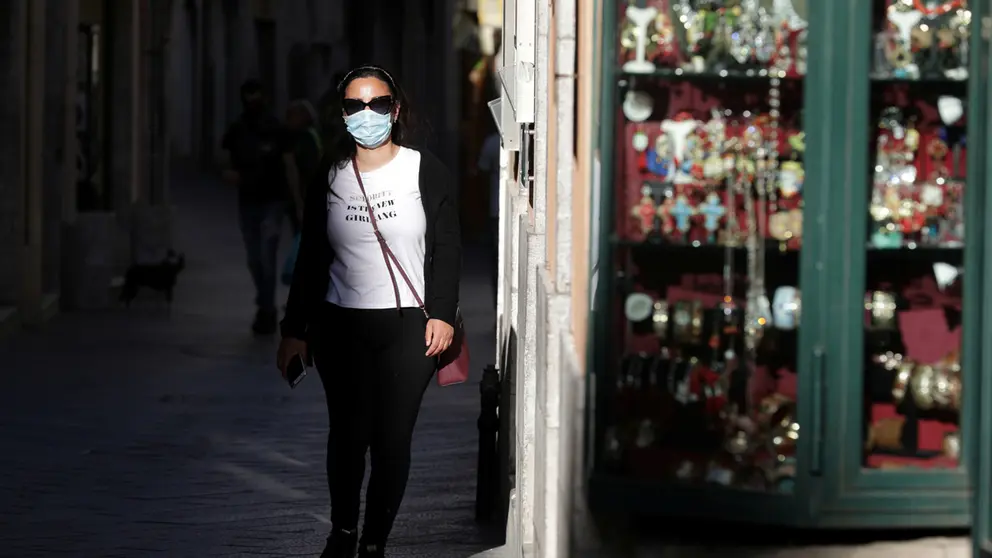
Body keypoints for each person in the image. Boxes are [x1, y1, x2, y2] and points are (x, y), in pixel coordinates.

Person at [276, 65, 461, 558]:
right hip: (341, 324)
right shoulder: (330, 174)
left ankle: (375, 541)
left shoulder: (425, 169)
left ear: (395, 110)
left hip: (410, 327)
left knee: (392, 439)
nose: (367, 114)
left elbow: (447, 246)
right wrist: (294, 330)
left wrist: (442, 312)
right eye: (355, 106)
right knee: (348, 434)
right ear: (343, 114)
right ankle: (342, 532)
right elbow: (313, 255)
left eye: (378, 104)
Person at [221, 79, 295, 335]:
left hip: (272, 201)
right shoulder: (238, 129)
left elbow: (288, 164)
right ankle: (265, 305)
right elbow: (226, 158)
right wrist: (230, 173)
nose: (252, 101)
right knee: (255, 259)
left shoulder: (275, 129)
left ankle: (266, 309)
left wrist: (296, 201)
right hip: (248, 202)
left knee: (266, 255)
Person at [284, 99, 323, 234]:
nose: (288, 120)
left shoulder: (305, 138)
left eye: (291, 116)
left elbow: (308, 168)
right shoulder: (305, 136)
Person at [477, 131, 500, 308]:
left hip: (495, 208)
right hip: (496, 208)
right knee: (498, 262)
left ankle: (497, 307)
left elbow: (482, 172)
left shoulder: (492, 142)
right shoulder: (493, 143)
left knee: (497, 262)